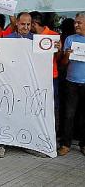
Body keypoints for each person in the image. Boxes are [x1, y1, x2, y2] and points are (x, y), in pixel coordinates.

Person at [0, 12, 33, 158]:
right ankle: (2, 143)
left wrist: (54, 48)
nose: (26, 27)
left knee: (25, 113)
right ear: (16, 23)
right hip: (10, 82)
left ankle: (25, 143)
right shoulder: (7, 39)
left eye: (28, 24)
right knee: (6, 112)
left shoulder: (36, 40)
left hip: (27, 84)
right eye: (23, 24)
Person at [57, 12, 85, 156]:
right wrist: (67, 55)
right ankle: (66, 144)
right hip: (71, 82)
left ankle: (83, 144)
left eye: (79, 22)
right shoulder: (70, 39)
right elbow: (63, 64)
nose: (76, 25)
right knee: (69, 114)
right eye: (75, 22)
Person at [30, 11, 62, 129]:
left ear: (34, 23)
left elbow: (58, 59)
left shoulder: (53, 35)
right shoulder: (29, 37)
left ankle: (52, 132)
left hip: (50, 77)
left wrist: (59, 50)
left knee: (52, 106)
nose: (27, 27)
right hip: (34, 77)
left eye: (29, 23)